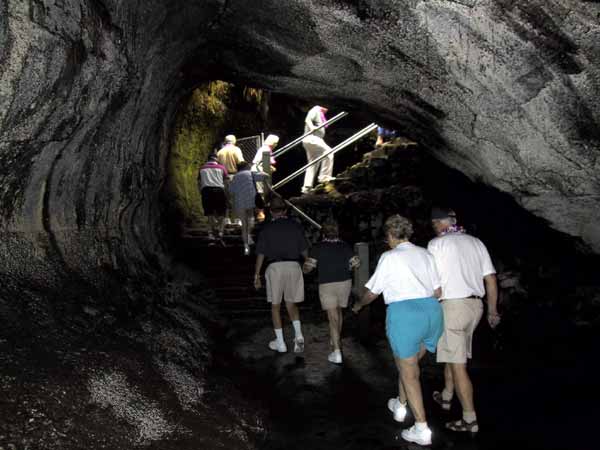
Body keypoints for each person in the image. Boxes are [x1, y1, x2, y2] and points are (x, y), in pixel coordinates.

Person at [352, 215, 443, 446]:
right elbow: (438, 291)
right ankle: (400, 405)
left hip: (405, 315)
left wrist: (359, 304)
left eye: (387, 237)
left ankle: (421, 429)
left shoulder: (389, 257)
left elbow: (373, 292)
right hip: (432, 313)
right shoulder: (425, 254)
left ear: (391, 235)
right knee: (409, 365)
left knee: (410, 371)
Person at [427, 207, 500, 436]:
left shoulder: (436, 244)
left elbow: (432, 283)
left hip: (452, 307)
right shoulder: (476, 242)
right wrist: (492, 311)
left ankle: (470, 418)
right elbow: (490, 279)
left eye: (434, 224)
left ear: (439, 223)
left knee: (458, 365)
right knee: (455, 353)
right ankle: (447, 396)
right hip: (475, 307)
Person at [254, 197, 309, 353]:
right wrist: (307, 261)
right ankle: (298, 336)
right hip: (293, 266)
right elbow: (303, 247)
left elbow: (261, 253)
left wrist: (257, 274)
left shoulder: (266, 229)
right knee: (291, 304)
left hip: (275, 268)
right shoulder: (295, 226)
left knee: (275, 306)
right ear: (285, 210)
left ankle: (281, 343)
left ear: (271, 212)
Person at [303, 220, 359, 364]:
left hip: (327, 284)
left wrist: (305, 267)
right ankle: (335, 341)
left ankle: (337, 352)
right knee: (338, 313)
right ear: (337, 232)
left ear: (323, 233)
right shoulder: (345, 246)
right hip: (344, 282)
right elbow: (356, 263)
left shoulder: (317, 247)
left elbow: (308, 268)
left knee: (332, 317)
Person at [229, 161, 269, 255]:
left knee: (244, 223)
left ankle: (246, 247)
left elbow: (231, 190)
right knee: (250, 217)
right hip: (250, 200)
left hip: (239, 202)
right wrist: (258, 170)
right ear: (246, 166)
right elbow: (266, 175)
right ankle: (249, 235)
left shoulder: (235, 177)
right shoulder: (251, 173)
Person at [301, 105, 334, 194]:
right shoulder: (316, 109)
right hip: (312, 138)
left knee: (313, 162)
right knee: (329, 152)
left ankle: (306, 187)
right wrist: (312, 128)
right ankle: (324, 177)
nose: (328, 109)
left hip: (312, 139)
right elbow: (308, 119)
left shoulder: (320, 113)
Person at [198, 154, 228, 241]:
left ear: (207, 159)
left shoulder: (202, 168)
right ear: (216, 159)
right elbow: (226, 182)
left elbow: (199, 182)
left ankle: (211, 233)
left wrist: (200, 192)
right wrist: (226, 193)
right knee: (222, 212)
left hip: (206, 191)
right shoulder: (222, 168)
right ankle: (220, 232)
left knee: (209, 213)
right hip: (219, 190)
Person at [217, 135, 244, 226]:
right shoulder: (236, 150)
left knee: (226, 199)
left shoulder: (220, 152)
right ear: (234, 141)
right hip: (235, 176)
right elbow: (241, 162)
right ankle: (237, 220)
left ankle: (227, 219)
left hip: (223, 178)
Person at [252, 134, 279, 222]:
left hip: (257, 171)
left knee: (261, 193)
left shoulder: (263, 149)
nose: (276, 145)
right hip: (259, 172)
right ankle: (261, 214)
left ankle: (261, 213)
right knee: (261, 193)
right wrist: (271, 169)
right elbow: (266, 165)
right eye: (276, 143)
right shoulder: (266, 149)